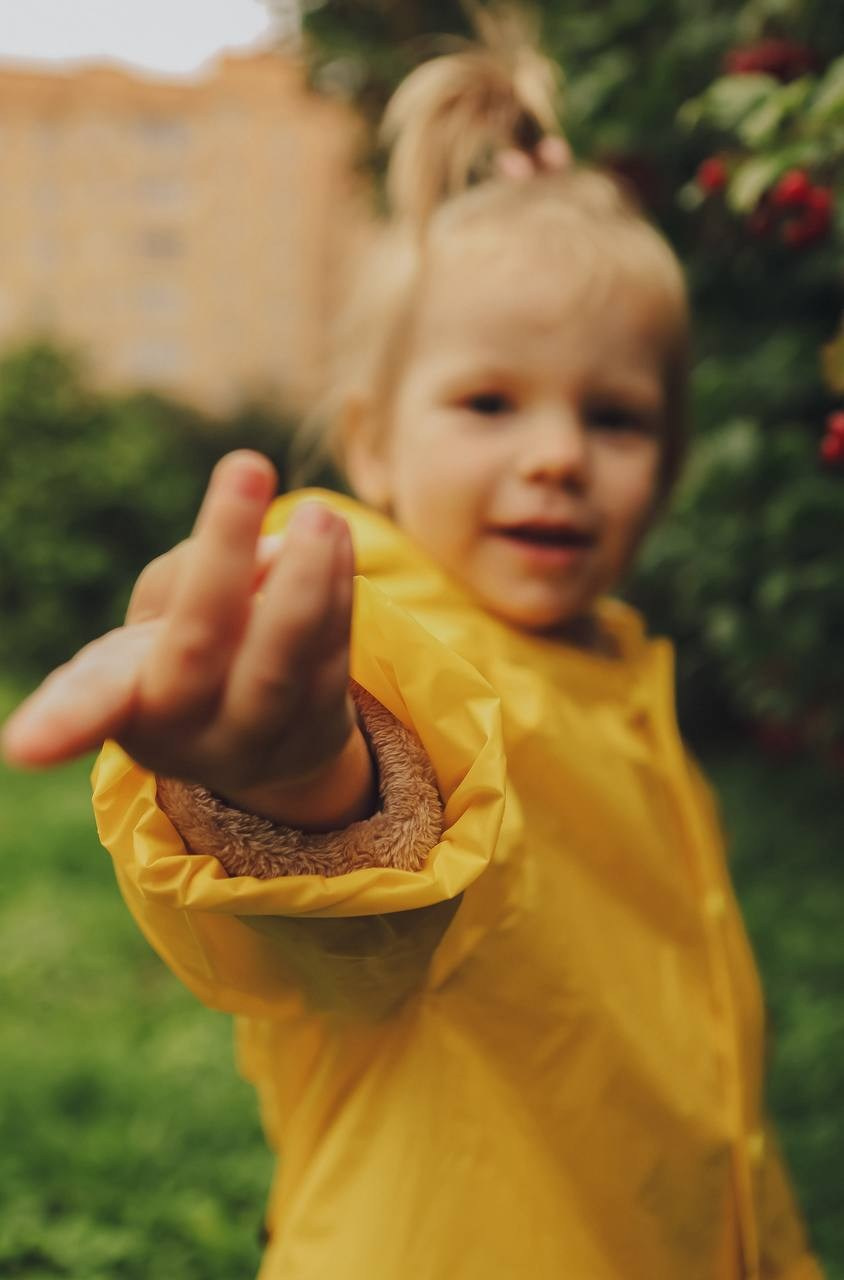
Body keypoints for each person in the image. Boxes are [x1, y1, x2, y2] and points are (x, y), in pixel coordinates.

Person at [1, 15, 823, 1280]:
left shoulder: (622, 676)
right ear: (373, 442)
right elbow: (384, 872)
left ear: (663, 468)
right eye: (488, 401)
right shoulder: (382, 613)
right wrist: (291, 781)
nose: (554, 454)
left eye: (614, 415)